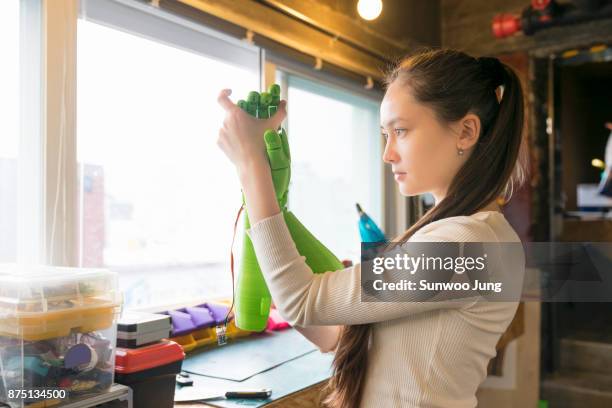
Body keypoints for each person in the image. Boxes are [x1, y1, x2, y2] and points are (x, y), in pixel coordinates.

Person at [216, 47, 527, 408]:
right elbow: (334, 334)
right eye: (385, 134)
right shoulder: (456, 233)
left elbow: (301, 300)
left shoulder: (468, 246)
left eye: (401, 130)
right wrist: (271, 195)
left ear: (466, 131)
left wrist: (252, 165)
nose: (388, 153)